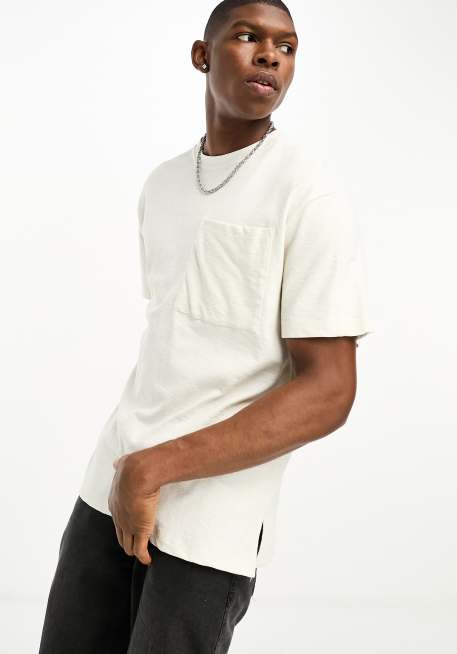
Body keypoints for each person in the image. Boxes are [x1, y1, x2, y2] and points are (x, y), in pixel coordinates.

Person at [38, 0, 373, 652]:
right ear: (202, 55)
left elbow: (329, 391)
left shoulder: (309, 194)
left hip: (210, 522)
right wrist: (131, 469)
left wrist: (156, 467)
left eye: (287, 46)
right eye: (248, 37)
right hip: (109, 485)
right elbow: (176, 340)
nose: (270, 54)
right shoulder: (162, 185)